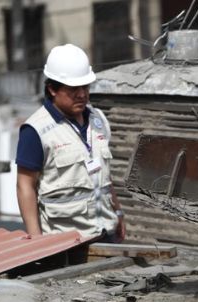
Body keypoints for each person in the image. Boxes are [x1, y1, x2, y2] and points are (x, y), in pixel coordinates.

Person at [16, 44, 125, 264]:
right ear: (52, 89)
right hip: (66, 245)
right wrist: (36, 242)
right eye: (73, 89)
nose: (82, 94)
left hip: (106, 235)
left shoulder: (98, 120)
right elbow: (25, 186)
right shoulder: (36, 130)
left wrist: (119, 213)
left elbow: (104, 176)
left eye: (85, 86)